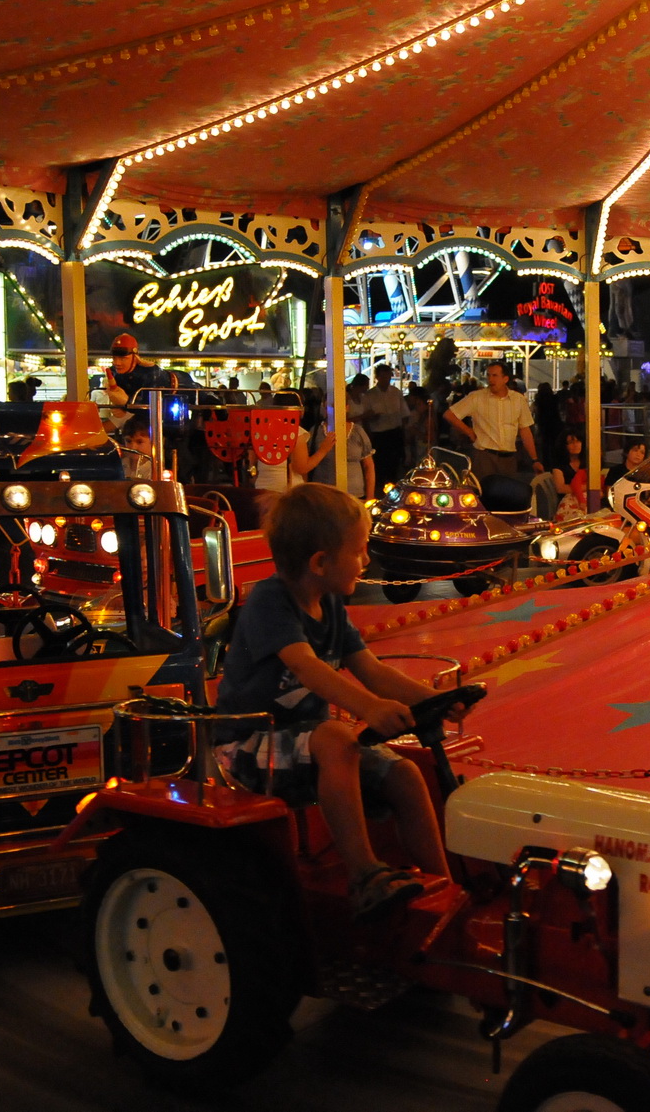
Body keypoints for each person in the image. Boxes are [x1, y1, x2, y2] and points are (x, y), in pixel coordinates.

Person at [214, 484, 464, 918]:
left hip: (310, 746)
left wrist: (436, 699)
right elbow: (309, 667)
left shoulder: (330, 603)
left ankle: (443, 887)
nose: (366, 561)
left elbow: (373, 669)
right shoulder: (269, 603)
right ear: (320, 562)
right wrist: (369, 708)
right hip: (247, 746)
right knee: (336, 736)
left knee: (404, 772)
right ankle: (365, 874)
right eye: (360, 551)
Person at [442, 361, 544, 480]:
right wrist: (468, 431)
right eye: (488, 375)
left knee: (507, 495)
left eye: (495, 376)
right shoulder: (477, 397)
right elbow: (449, 414)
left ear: (505, 379)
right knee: (484, 493)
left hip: (509, 458)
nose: (491, 379)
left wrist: (534, 459)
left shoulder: (518, 400)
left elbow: (525, 430)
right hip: (485, 456)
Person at [255, 390, 333, 495]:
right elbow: (301, 467)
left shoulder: (262, 430)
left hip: (262, 487)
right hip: (286, 490)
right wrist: (323, 450)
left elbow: (253, 462)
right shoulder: (295, 432)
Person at [310, 398, 376, 500]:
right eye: (330, 407)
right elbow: (305, 464)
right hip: (323, 493)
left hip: (354, 494)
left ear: (346, 408)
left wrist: (370, 496)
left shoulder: (358, 431)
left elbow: (368, 466)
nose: (335, 410)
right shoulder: (316, 432)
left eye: (339, 406)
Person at [360, 364, 409, 487]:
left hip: (395, 432)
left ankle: (394, 487)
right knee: (380, 464)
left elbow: (404, 413)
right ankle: (379, 488)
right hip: (379, 434)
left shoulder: (395, 392)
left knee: (395, 464)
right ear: (377, 377)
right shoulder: (370, 395)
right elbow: (365, 416)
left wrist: (403, 432)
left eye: (388, 376)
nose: (386, 379)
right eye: (383, 376)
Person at [550, 429, 588, 522]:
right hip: (567, 502)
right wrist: (588, 487)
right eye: (571, 442)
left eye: (578, 441)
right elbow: (561, 488)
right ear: (564, 446)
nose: (576, 445)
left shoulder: (587, 462)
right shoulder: (559, 465)